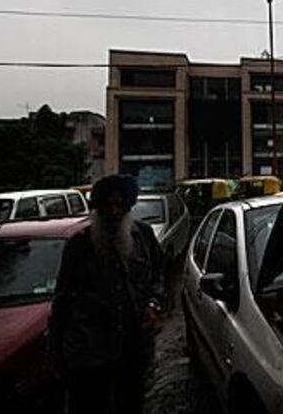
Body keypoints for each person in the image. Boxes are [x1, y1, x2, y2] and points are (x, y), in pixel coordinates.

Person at [49, 174, 165, 414]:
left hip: (133, 348)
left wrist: (153, 305)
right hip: (90, 354)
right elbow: (62, 299)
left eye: (119, 205)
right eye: (107, 206)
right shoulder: (79, 245)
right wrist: (58, 351)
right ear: (97, 209)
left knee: (131, 403)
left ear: (128, 207)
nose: (113, 212)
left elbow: (158, 277)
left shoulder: (143, 236)